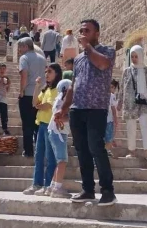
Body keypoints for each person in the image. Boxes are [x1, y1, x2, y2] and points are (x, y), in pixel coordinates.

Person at [54, 19, 116, 206]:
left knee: (96, 147)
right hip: (77, 109)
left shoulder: (107, 51)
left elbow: (103, 65)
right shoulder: (79, 59)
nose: (82, 33)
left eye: (86, 30)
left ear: (96, 33)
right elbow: (73, 86)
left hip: (96, 108)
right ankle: (87, 189)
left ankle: (108, 190)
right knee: (82, 150)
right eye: (81, 30)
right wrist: (63, 109)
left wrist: (88, 47)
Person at [24, 64, 62, 196]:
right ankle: (37, 183)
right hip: (41, 125)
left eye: (49, 72)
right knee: (39, 155)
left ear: (56, 73)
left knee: (50, 157)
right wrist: (37, 86)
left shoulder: (57, 89)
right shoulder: (45, 89)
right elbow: (34, 103)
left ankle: (47, 185)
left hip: (50, 126)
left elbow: (48, 106)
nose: (46, 74)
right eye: (45, 71)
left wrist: (39, 106)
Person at [120, 46, 147, 162]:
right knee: (131, 127)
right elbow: (122, 88)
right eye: (132, 56)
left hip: (145, 103)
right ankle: (132, 151)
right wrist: (119, 102)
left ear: (141, 56)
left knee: (145, 126)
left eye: (136, 56)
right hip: (130, 103)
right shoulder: (126, 71)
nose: (134, 59)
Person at [18, 37, 47, 158]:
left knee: (27, 124)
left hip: (29, 94)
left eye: (20, 47)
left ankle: (28, 150)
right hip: (41, 95)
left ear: (25, 46)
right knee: (38, 123)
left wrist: (21, 91)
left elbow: (24, 75)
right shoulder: (42, 58)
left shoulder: (24, 58)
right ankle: (41, 150)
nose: (19, 49)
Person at [48, 78, 72, 199]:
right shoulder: (62, 101)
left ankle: (52, 186)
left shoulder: (59, 99)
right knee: (62, 161)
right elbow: (60, 116)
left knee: (60, 161)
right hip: (58, 133)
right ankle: (57, 188)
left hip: (56, 132)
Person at [106, 80, 120, 156]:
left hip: (107, 119)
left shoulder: (110, 95)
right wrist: (115, 119)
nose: (110, 89)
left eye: (112, 87)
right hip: (107, 120)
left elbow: (113, 108)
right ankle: (107, 150)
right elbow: (113, 109)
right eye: (110, 87)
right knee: (108, 136)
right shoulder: (111, 95)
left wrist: (115, 119)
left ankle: (107, 150)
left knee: (108, 136)